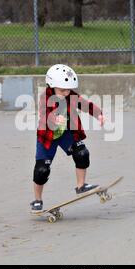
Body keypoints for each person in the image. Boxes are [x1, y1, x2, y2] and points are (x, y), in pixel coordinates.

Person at [30, 64, 105, 212]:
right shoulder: (45, 97)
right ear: (52, 85)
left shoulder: (71, 96)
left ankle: (81, 186)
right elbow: (44, 114)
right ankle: (37, 200)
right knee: (41, 170)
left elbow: (86, 105)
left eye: (68, 89)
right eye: (62, 90)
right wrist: (53, 119)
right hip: (47, 137)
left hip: (65, 134)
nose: (65, 93)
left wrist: (99, 114)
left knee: (82, 153)